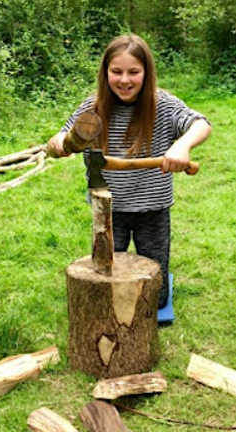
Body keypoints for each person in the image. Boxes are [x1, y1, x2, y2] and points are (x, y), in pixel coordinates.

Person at [48, 34, 211, 308]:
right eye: (117, 72)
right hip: (108, 211)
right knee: (107, 281)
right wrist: (60, 143)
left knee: (156, 296)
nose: (125, 80)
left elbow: (201, 124)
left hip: (153, 208)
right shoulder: (93, 108)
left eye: (134, 72)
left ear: (146, 72)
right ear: (105, 73)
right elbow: (62, 137)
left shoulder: (164, 105)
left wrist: (182, 146)